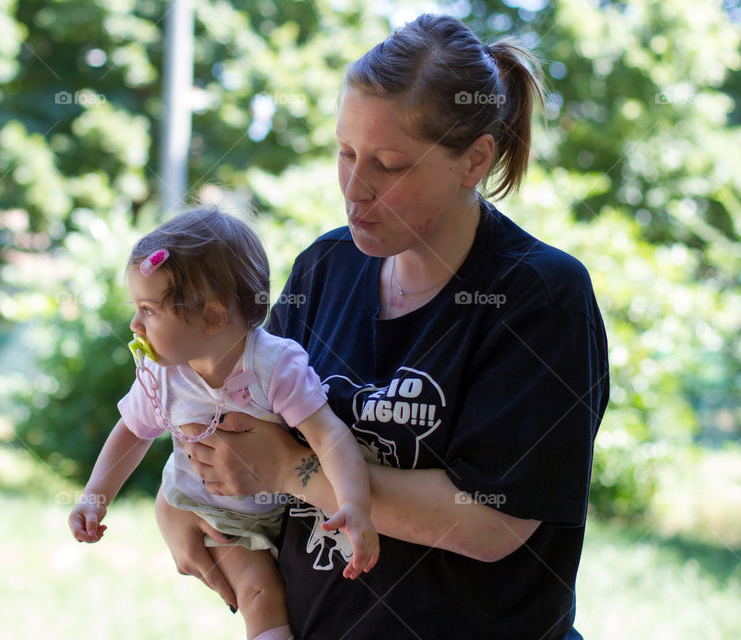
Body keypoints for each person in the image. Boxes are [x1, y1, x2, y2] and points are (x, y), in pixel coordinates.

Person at [155, 13, 609, 640]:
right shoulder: (323, 267)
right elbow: (238, 418)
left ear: (474, 160)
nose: (354, 188)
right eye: (345, 152)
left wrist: (293, 472)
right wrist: (176, 497)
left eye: (390, 165)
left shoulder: (540, 295)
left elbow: (493, 523)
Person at [68, 207, 379, 640]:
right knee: (259, 592)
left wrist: (355, 505)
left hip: (273, 510)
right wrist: (94, 498)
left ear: (214, 317)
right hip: (202, 507)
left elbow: (327, 434)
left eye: (148, 310)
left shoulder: (274, 367)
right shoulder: (164, 373)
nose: (135, 324)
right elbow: (133, 431)